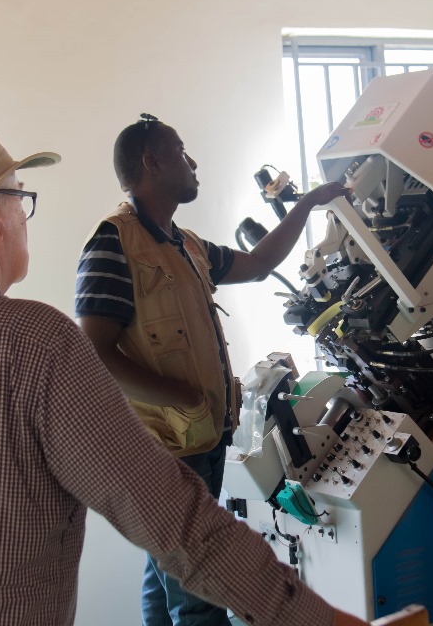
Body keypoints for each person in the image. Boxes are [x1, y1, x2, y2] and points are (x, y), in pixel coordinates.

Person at [0, 117, 367, 626]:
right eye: (21, 199)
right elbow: (178, 525)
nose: (26, 216)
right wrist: (318, 619)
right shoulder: (36, 342)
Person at [75, 113, 347, 626]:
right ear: (152, 162)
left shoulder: (186, 245)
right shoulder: (113, 245)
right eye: (181, 151)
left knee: (169, 579)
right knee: (200, 597)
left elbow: (258, 264)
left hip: (202, 440)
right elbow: (92, 352)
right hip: (167, 447)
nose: (193, 162)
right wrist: (179, 395)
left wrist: (309, 203)